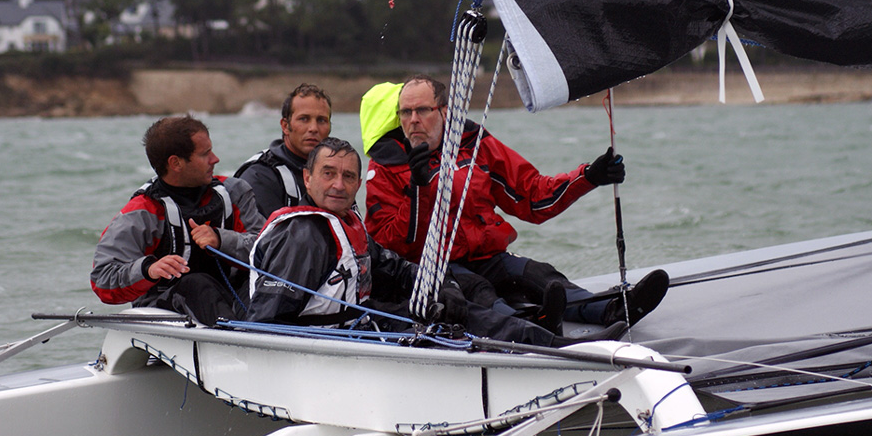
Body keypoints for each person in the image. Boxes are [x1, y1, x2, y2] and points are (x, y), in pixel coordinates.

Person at [248, 137, 626, 347]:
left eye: (348, 177)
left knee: (460, 308)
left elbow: (392, 265)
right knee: (447, 328)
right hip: (339, 342)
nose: (338, 184)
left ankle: (553, 345)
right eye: (328, 174)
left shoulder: (346, 224)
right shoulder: (303, 235)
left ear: (358, 185)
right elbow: (265, 323)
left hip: (360, 323)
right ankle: (548, 350)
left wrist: (441, 285)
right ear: (307, 178)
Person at [363, 75, 668, 334]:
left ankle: (613, 310)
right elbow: (390, 245)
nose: (413, 120)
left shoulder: (474, 144)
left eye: (422, 110)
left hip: (488, 255)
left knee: (538, 274)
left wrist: (588, 176)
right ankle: (536, 330)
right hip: (437, 268)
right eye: (405, 112)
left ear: (444, 111)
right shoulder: (386, 168)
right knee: (480, 294)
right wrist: (418, 188)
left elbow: (531, 197)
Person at [91, 115, 265, 325]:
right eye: (205, 154)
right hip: (170, 311)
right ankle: (239, 341)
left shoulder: (235, 193)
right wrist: (148, 269)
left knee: (268, 282)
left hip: (232, 298)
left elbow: (270, 251)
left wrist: (221, 239)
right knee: (197, 285)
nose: (215, 159)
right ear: (176, 163)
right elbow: (102, 279)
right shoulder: (142, 213)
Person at [234, 83, 333, 219]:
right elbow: (265, 237)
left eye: (321, 120)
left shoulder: (336, 174)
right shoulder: (260, 177)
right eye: (304, 119)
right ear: (285, 126)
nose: (313, 128)